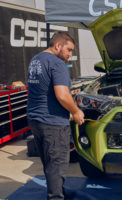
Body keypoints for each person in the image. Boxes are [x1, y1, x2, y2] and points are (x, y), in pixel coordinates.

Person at [27, 31, 85, 200]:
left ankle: (57, 190)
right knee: (57, 164)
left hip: (35, 119)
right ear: (58, 45)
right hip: (52, 123)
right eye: (69, 50)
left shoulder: (36, 60)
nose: (70, 54)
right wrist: (75, 111)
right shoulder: (57, 63)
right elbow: (62, 95)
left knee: (49, 163)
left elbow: (41, 91)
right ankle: (56, 197)